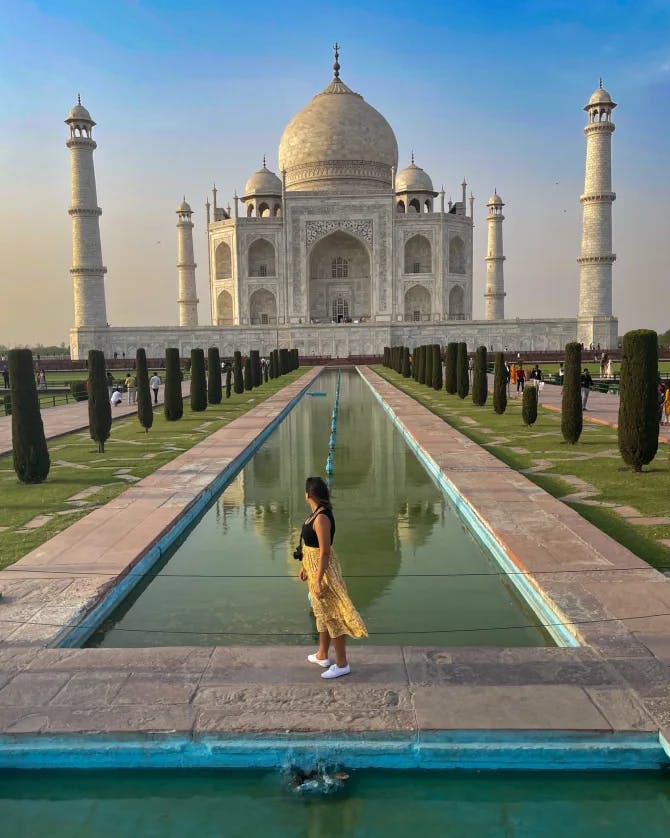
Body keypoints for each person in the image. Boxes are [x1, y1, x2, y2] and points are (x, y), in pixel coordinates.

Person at [298, 476, 367, 679]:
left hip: (325, 573)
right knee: (322, 614)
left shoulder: (321, 518)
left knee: (334, 616)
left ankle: (342, 663)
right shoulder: (316, 514)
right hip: (314, 571)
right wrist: (305, 568)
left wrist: (318, 579)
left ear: (307, 495)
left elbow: (324, 552)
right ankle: (322, 655)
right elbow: (311, 548)